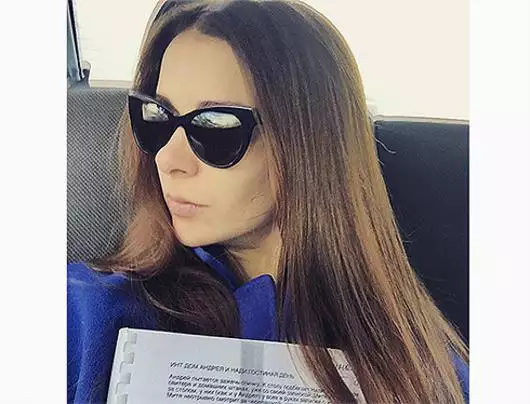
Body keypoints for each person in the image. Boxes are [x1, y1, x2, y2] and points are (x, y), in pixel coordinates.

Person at [67, 0, 469, 403]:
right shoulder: (87, 313)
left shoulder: (417, 366)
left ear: (308, 145)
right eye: (156, 117)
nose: (168, 159)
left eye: (216, 127)